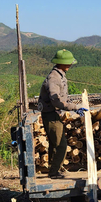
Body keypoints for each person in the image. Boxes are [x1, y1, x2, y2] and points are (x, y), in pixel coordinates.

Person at [38, 49, 88, 179]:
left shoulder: (59, 75)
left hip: (54, 114)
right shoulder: (54, 79)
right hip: (51, 115)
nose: (70, 65)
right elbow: (56, 101)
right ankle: (54, 172)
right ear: (62, 63)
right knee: (61, 145)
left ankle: (53, 170)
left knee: (55, 144)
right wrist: (74, 107)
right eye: (68, 63)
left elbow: (61, 98)